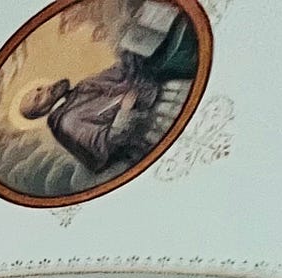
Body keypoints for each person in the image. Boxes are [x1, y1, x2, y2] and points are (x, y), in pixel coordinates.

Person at [16, 2, 200, 178]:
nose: (44, 89)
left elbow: (119, 72)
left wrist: (122, 50)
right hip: (152, 105)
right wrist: (125, 111)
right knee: (178, 46)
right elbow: (108, 145)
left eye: (39, 88)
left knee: (131, 35)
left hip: (145, 79)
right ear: (42, 110)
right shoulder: (69, 122)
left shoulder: (80, 89)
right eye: (38, 98)